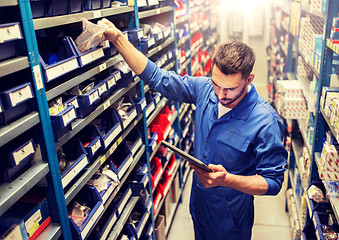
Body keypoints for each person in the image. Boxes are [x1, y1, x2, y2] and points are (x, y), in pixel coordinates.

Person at [98, 18, 288, 240]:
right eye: (216, 84)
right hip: (199, 205)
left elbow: (273, 182)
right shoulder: (205, 89)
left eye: (229, 89)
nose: (220, 95)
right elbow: (158, 78)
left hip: (230, 219)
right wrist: (118, 38)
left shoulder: (266, 121)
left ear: (249, 80)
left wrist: (228, 180)